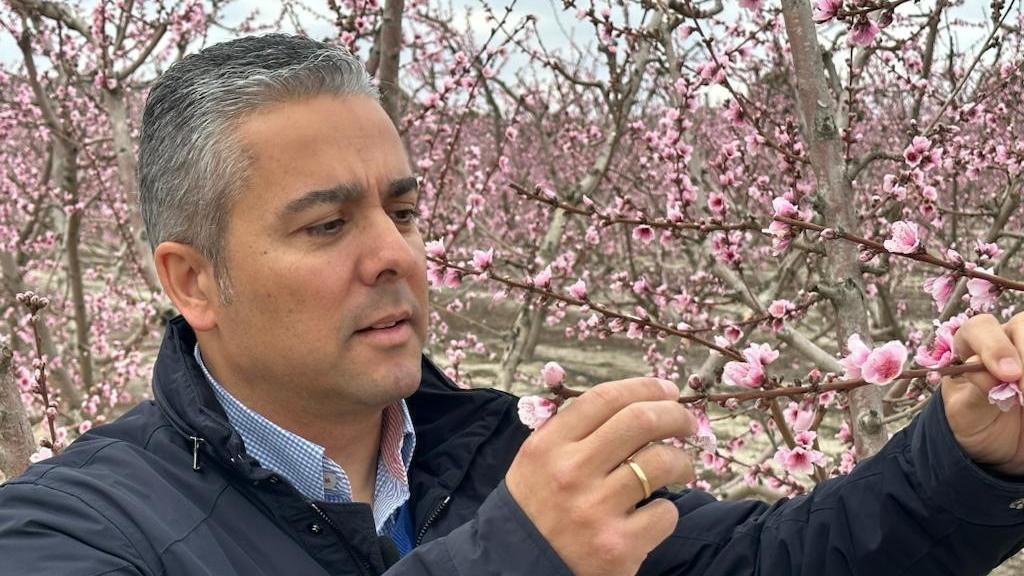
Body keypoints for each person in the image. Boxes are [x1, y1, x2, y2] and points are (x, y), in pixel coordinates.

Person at [1, 33, 1023, 576]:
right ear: (190, 280)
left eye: (403, 209)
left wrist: (965, 459)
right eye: (326, 226)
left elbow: (772, 565)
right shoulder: (76, 527)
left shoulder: (503, 454)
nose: (393, 253)